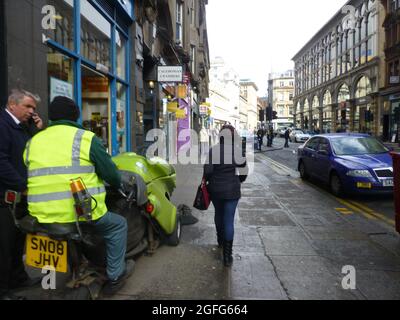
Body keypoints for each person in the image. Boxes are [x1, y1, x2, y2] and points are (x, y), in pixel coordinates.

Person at [23, 96, 134, 296]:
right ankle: (116, 276)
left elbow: (30, 167)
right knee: (118, 225)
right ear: (76, 117)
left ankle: (50, 279)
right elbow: (110, 174)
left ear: (52, 117)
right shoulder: (85, 138)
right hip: (80, 215)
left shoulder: (33, 141)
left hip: (39, 216)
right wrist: (118, 184)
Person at [0, 89, 44, 300]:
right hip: (5, 197)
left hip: (20, 196)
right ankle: (4, 291)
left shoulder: (22, 127)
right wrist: (22, 185)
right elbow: (1, 162)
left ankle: (18, 279)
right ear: (12, 105)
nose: (31, 111)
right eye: (28, 106)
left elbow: (33, 152)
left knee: (18, 241)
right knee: (4, 246)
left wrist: (37, 130)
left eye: (33, 108)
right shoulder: (3, 125)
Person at [204, 125, 248, 267]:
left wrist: (213, 178)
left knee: (218, 214)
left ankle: (220, 240)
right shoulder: (237, 151)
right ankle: (227, 257)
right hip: (232, 190)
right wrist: (237, 181)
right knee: (229, 220)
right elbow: (244, 172)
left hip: (216, 189)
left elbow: (208, 171)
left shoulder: (214, 150)